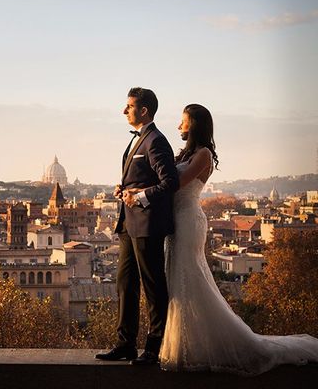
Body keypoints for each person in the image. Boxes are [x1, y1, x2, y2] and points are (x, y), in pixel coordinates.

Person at [158, 103, 318, 375]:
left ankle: (193, 348)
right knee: (177, 280)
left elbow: (177, 182)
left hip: (188, 220)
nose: (178, 126)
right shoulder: (185, 153)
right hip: (175, 222)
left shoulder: (204, 154)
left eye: (182, 121)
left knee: (189, 279)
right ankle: (184, 345)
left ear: (194, 124)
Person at [95, 87, 179, 365]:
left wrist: (139, 196)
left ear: (144, 110)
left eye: (128, 106)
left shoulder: (155, 141)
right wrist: (126, 189)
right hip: (128, 224)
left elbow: (170, 183)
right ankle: (125, 343)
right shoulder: (140, 140)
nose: (124, 110)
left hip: (147, 224)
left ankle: (154, 348)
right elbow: (141, 180)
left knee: (153, 286)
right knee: (125, 284)